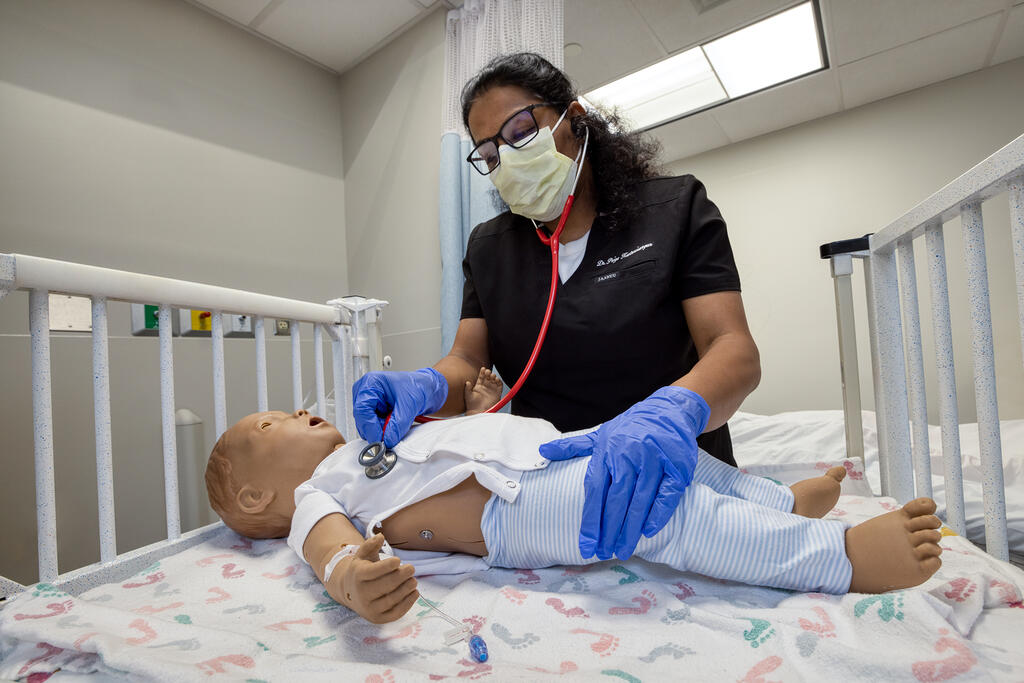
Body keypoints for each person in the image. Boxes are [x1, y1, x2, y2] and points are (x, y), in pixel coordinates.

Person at [352, 52, 762, 563]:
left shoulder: (674, 209)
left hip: (675, 470)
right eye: (490, 153)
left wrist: (673, 412)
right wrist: (427, 385)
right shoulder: (489, 247)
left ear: (575, 118)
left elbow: (733, 350)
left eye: (521, 131)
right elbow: (466, 361)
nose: (506, 157)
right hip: (549, 486)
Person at [204, 401, 943, 625]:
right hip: (513, 508)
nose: (296, 410)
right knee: (655, 516)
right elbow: (327, 545)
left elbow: (451, 443)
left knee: (674, 458)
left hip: (547, 455)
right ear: (252, 498)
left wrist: (470, 405)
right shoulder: (317, 489)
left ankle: (778, 500)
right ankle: (838, 556)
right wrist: (349, 578)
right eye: (266, 426)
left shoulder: (377, 439)